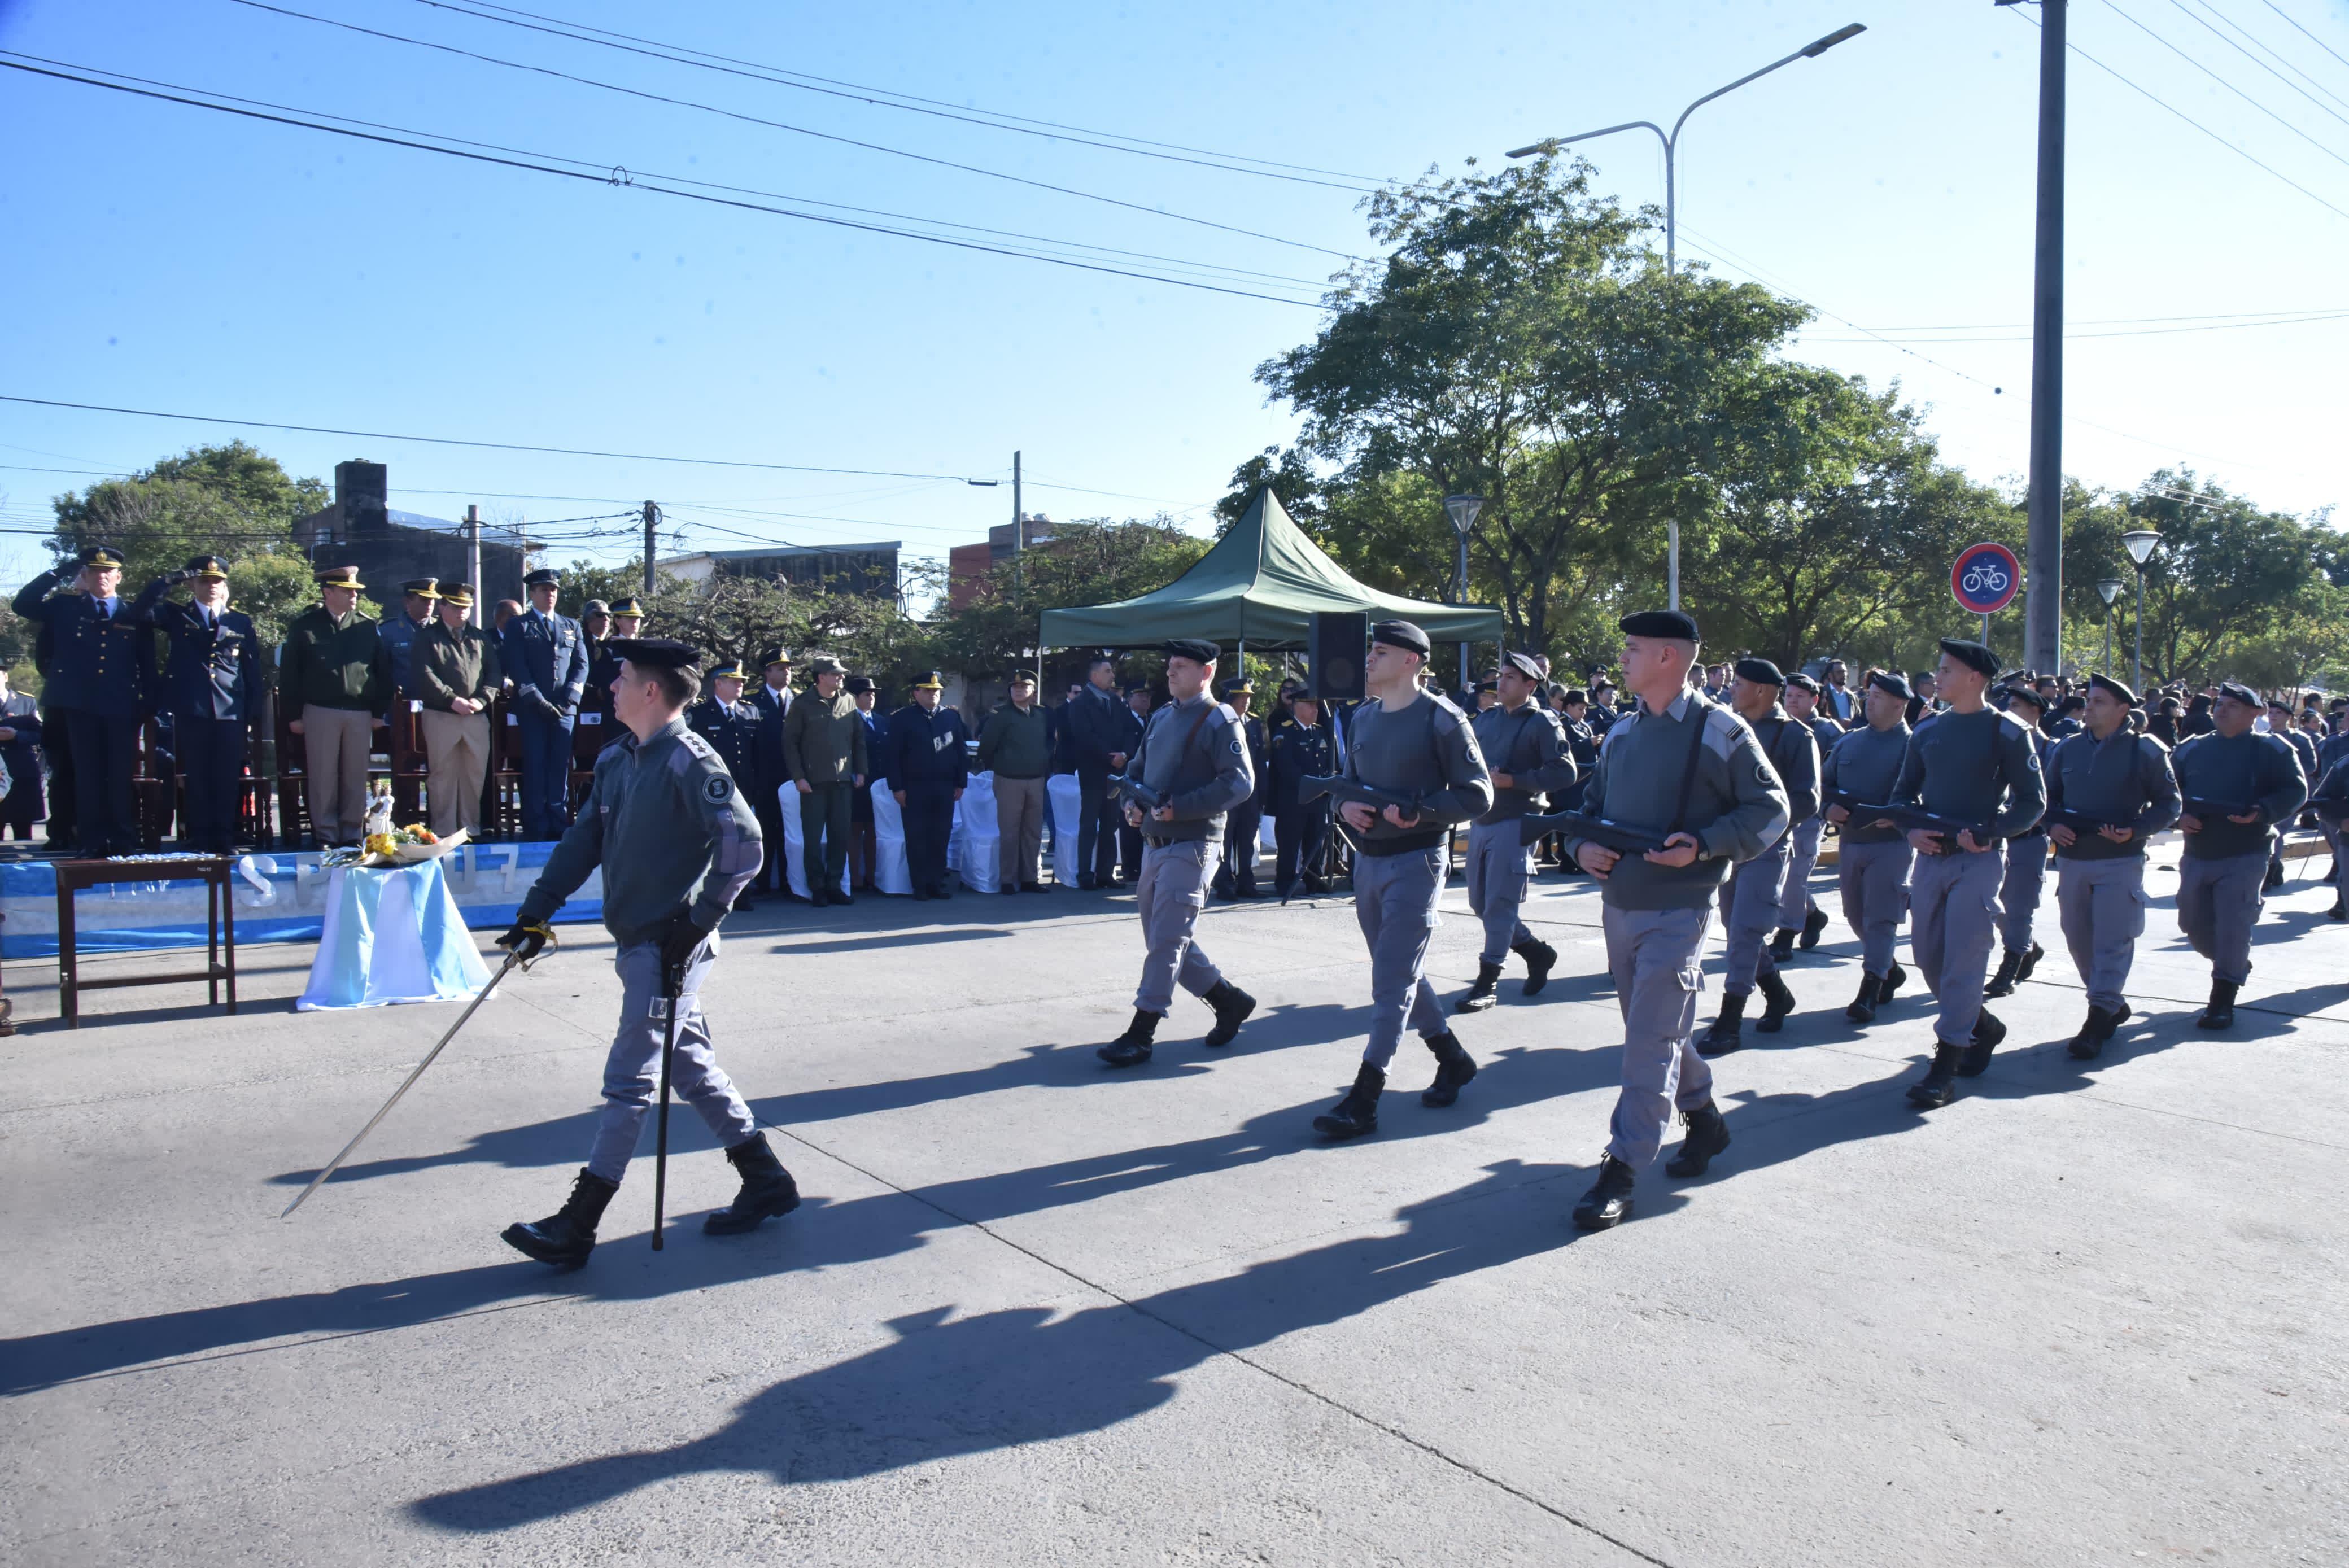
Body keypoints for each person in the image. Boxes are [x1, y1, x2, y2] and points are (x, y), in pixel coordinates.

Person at [495, 638, 788, 1265]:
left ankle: (579, 1220)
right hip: (638, 941)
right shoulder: (619, 758)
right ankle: (765, 1177)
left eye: (623, 676)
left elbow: (745, 842)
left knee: (630, 1080)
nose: (613, 686)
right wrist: (537, 909)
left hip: (668, 945)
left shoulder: (688, 759)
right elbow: (585, 838)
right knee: (692, 1068)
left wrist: (700, 919)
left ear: (651, 691)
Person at [1561, 610, 1789, 1231]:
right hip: (1618, 907)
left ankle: (1623, 1166)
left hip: (1679, 907)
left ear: (1668, 657)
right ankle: (1705, 1119)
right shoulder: (1621, 734)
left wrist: (1706, 843)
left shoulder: (1720, 729)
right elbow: (1585, 814)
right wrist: (1581, 850)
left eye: (1632, 649)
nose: (1623, 658)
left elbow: (1771, 811)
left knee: (1647, 1038)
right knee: (1655, 1029)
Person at [1309, 621, 1493, 1142]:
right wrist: (1347, 805)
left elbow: (1479, 795)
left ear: (1412, 661)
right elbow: (1345, 783)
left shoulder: (1443, 719)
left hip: (1416, 861)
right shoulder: (1364, 716)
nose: (1369, 659)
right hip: (1366, 862)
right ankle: (1451, 1057)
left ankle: (1365, 1096)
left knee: (1391, 978)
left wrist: (1426, 812)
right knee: (1399, 970)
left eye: (1382, 651)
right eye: (1372, 650)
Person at [1888, 640, 2046, 1108]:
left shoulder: (2009, 731)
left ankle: (1946, 1064)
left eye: (1947, 670)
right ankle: (1982, 1024)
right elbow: (1902, 795)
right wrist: (1909, 829)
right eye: (1939, 668)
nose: (1937, 677)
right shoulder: (1928, 730)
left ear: (1976, 677)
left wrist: (1995, 832)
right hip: (1930, 858)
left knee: (1964, 958)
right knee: (1928, 957)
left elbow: (2032, 802)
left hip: (1976, 860)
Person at [1095, 640, 1259, 1066]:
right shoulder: (1162, 717)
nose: (1170, 673)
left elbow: (1240, 783)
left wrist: (1180, 807)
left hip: (1193, 845)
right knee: (1166, 939)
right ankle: (1228, 1000)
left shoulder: (1220, 720)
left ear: (1207, 672)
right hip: (1154, 844)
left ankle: (1142, 1031)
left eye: (1181, 667)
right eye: (1170, 666)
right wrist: (1131, 804)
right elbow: (1134, 771)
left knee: (1167, 940)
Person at [2044, 674, 2180, 1057]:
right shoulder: (2066, 749)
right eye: (2088, 700)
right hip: (2072, 860)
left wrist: (2137, 830)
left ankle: (2097, 1018)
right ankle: (2110, 1003)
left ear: (2123, 710)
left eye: (2100, 701)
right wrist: (2052, 824)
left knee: (2112, 940)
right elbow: (2045, 799)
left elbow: (2170, 804)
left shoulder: (2147, 750)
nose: (2089, 706)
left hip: (2120, 860)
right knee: (2077, 937)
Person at [1695, 658, 1815, 1055]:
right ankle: (1777, 992)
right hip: (1731, 845)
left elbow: (1807, 799)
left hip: (1767, 845)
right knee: (1737, 928)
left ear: (1763, 690)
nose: (1732, 688)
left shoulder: (1796, 736)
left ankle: (1730, 1020)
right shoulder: (1728, 728)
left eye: (1740, 683)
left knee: (1747, 929)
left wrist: (1763, 820)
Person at [2171, 682, 2307, 1029]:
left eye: (2233, 706)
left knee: (2234, 924)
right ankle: (2233, 963)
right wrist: (2179, 815)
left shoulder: (2273, 750)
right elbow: (2168, 792)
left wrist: (2262, 811)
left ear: (2255, 714)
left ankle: (2222, 998)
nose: (2222, 710)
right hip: (2199, 851)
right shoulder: (2191, 749)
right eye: (2220, 704)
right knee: (2191, 922)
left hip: (2246, 851)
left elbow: (2296, 790)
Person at [11, 545, 153, 857]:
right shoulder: (65, 607)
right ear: (84, 576)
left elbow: (147, 662)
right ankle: (90, 841)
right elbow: (24, 604)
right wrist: (60, 571)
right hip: (79, 704)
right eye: (93, 572)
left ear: (119, 576)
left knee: (119, 775)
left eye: (107, 572)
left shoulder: (134, 612)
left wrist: (148, 703)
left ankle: (123, 840)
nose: (101, 577)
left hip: (121, 704)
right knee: (86, 775)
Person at [1457, 650, 1573, 1012]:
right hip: (1483, 820)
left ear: (1530, 685)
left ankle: (1488, 982)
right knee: (1481, 904)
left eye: (1510, 677)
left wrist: (1517, 781)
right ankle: (1537, 952)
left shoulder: (1542, 723)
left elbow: (1565, 772)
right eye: (1501, 676)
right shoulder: (1487, 720)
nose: (1500, 683)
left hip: (1517, 823)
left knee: (1500, 904)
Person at [130, 555, 265, 854]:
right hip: (192, 707)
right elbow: (140, 612)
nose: (212, 586)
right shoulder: (177, 615)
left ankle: (225, 836)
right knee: (198, 775)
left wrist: (254, 709)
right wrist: (168, 581)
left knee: (228, 776)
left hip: (231, 708)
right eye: (204, 580)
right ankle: (200, 835)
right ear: (192, 584)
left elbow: (251, 668)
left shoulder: (239, 620)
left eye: (217, 581)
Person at [1823, 671, 1917, 1023]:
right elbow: (1825, 786)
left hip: (1891, 846)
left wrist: (1902, 817)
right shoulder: (1850, 742)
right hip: (1851, 842)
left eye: (1878, 696)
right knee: (1855, 914)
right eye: (1870, 694)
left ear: (1900, 704)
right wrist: (1826, 809)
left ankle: (1870, 987)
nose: (1870, 700)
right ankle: (1889, 969)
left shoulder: (1914, 746)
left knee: (1880, 919)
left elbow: (1926, 797)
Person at [280, 565, 392, 848]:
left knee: (355, 776)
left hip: (358, 711)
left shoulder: (367, 626)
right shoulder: (305, 626)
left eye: (355, 591)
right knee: (323, 776)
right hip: (320, 710)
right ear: (328, 592)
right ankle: (326, 834)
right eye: (347, 591)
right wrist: (293, 715)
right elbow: (290, 674)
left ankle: (352, 833)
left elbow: (381, 671)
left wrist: (379, 712)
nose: (354, 595)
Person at [501, 567, 588, 839]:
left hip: (564, 709)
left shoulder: (571, 625)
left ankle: (558, 821)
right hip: (533, 709)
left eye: (554, 590)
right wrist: (537, 701)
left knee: (560, 766)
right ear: (532, 593)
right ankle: (536, 823)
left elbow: (581, 665)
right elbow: (516, 665)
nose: (550, 595)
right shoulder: (519, 625)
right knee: (536, 765)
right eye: (544, 590)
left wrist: (569, 699)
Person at [1984, 683, 2055, 1000]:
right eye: (2007, 705)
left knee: (2018, 905)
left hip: (2029, 837)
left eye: (2016, 706)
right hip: (1996, 837)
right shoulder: (1999, 743)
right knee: (1992, 905)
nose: (2008, 711)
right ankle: (2027, 947)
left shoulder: (2051, 749)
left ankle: (2009, 966)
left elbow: (2054, 798)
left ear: (2035, 712)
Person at [414, 582, 501, 837]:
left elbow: (494, 673)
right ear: (442, 607)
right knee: (443, 775)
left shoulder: (480, 638)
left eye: (466, 607)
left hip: (476, 716)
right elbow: (424, 674)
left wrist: (482, 700)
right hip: (442, 715)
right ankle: (443, 830)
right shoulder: (427, 637)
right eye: (456, 606)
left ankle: (469, 829)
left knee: (474, 775)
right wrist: (451, 699)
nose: (462, 611)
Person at [782, 655, 869, 906]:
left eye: (841, 674)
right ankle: (817, 887)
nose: (841, 677)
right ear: (821, 677)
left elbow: (858, 740)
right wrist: (799, 777)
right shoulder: (802, 704)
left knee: (840, 835)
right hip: (813, 782)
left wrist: (861, 770)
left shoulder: (849, 701)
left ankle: (834, 885)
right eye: (836, 674)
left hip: (843, 781)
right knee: (812, 838)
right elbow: (790, 745)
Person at [1769, 672, 1843, 958]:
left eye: (1800, 696)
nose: (1793, 701)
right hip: (1778, 814)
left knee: (1796, 873)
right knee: (1786, 875)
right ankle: (1812, 914)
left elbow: (1836, 776)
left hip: (1810, 814)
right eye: (1789, 695)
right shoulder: (1777, 727)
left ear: (1815, 700)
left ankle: (1786, 933)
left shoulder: (1827, 731)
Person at [884, 671, 968, 899]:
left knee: (941, 835)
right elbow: (893, 756)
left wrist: (961, 782)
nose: (933, 695)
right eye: (928, 691)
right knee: (918, 836)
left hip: (944, 786)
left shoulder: (950, 717)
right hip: (914, 787)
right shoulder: (902, 718)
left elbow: (960, 751)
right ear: (916, 693)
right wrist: (897, 787)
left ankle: (937, 883)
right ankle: (921, 885)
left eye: (937, 691)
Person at [976, 670, 1050, 893]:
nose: (1018, 691)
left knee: (1033, 831)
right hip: (1009, 779)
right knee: (1009, 831)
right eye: (1014, 687)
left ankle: (1029, 878)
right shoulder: (1001, 715)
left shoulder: (1041, 715)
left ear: (1033, 691)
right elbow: (986, 747)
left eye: (1023, 687)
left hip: (1036, 779)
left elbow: (1049, 742)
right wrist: (1001, 766)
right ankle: (1008, 879)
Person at [1065, 655, 1128, 890]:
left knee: (1111, 825)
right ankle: (1085, 874)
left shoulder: (1116, 701)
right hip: (1093, 772)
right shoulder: (1081, 704)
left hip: (1116, 774)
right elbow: (1084, 737)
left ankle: (1105, 873)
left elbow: (1128, 732)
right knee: (1089, 824)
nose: (1113, 675)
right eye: (1108, 671)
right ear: (1094, 676)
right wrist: (1109, 757)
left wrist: (1125, 755)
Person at [1269, 691, 1334, 896]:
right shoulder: (1285, 732)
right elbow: (1286, 768)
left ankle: (1313, 880)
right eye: (1311, 706)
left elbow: (1327, 763)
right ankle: (1285, 882)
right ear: (1297, 707)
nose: (1316, 710)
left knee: (1314, 842)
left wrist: (1323, 785)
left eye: (1317, 706)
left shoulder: (1320, 732)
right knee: (1289, 843)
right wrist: (1312, 785)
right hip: (1293, 800)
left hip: (1317, 800)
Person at [1211, 678, 1270, 899]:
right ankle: (1224, 882)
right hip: (1226, 791)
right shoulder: (1219, 721)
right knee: (1225, 840)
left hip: (1250, 792)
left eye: (1248, 697)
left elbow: (1259, 760)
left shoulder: (1254, 723)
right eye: (1241, 697)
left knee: (1247, 840)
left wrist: (1263, 792)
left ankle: (1246, 881)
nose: (1246, 701)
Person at [2263, 699, 2321, 892]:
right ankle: (2274, 865)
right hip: (2265, 794)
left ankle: (2270, 869)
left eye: (2278, 713)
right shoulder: (2260, 738)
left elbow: (2311, 765)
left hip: (2290, 793)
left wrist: (2288, 773)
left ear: (2289, 717)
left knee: (2277, 830)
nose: (2273, 716)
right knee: (2268, 831)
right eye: (2270, 713)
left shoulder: (2300, 739)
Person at [748, 648, 793, 895]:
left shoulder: (799, 701)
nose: (787, 672)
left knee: (790, 831)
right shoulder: (753, 703)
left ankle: (789, 881)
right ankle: (763, 882)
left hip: (792, 778)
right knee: (764, 830)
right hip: (764, 778)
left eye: (789, 668)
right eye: (781, 668)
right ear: (767, 672)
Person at [848, 675, 885, 890]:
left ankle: (872, 876)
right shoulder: (848, 721)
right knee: (854, 833)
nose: (872, 698)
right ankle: (855, 879)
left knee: (874, 832)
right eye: (867, 694)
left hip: (878, 786)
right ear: (855, 698)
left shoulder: (880, 720)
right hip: (857, 785)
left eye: (873, 694)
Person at [378, 578, 440, 698]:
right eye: (424, 599)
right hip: (401, 704)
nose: (430, 603)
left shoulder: (441, 629)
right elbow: (381, 671)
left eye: (432, 599)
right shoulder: (387, 631)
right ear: (407, 602)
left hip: (436, 704)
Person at [0, 666, 42, 841]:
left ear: (5, 676)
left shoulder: (26, 702)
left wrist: (17, 735)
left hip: (22, 772)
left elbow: (41, 735)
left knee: (23, 832)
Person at [1116, 685, 1151, 882]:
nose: (1146, 699)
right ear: (1130, 699)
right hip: (1130, 777)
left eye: (1148, 696)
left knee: (1146, 822)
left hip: (1150, 779)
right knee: (1130, 821)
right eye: (1141, 695)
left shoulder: (1153, 719)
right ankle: (1130, 868)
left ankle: (1143, 865)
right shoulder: (1123, 719)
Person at [1820, 659, 1857, 723]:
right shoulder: (1821, 693)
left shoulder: (1852, 696)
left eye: (1845, 672)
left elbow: (1857, 718)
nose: (1844, 675)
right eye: (1839, 672)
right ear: (1830, 675)